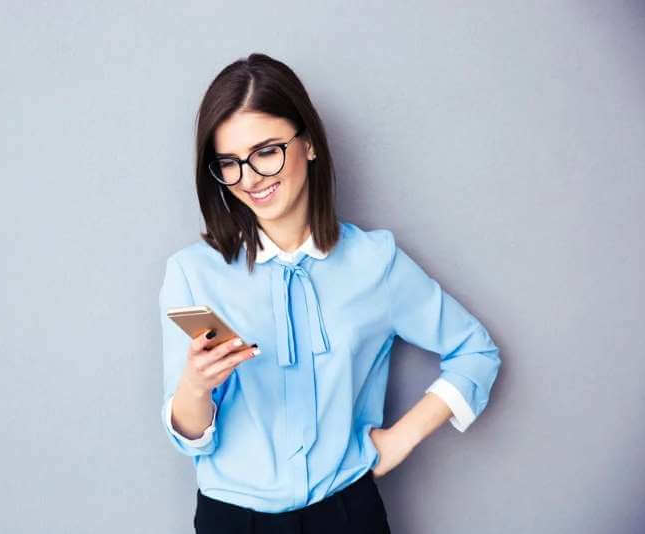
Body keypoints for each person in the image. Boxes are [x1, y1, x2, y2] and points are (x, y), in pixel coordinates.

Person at [158, 53, 502, 534]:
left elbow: (475, 351)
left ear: (311, 144)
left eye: (266, 151)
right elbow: (193, 439)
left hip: (346, 516)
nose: (251, 177)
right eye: (230, 163)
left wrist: (399, 440)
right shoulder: (193, 274)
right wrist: (195, 385)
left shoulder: (374, 262)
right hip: (231, 521)